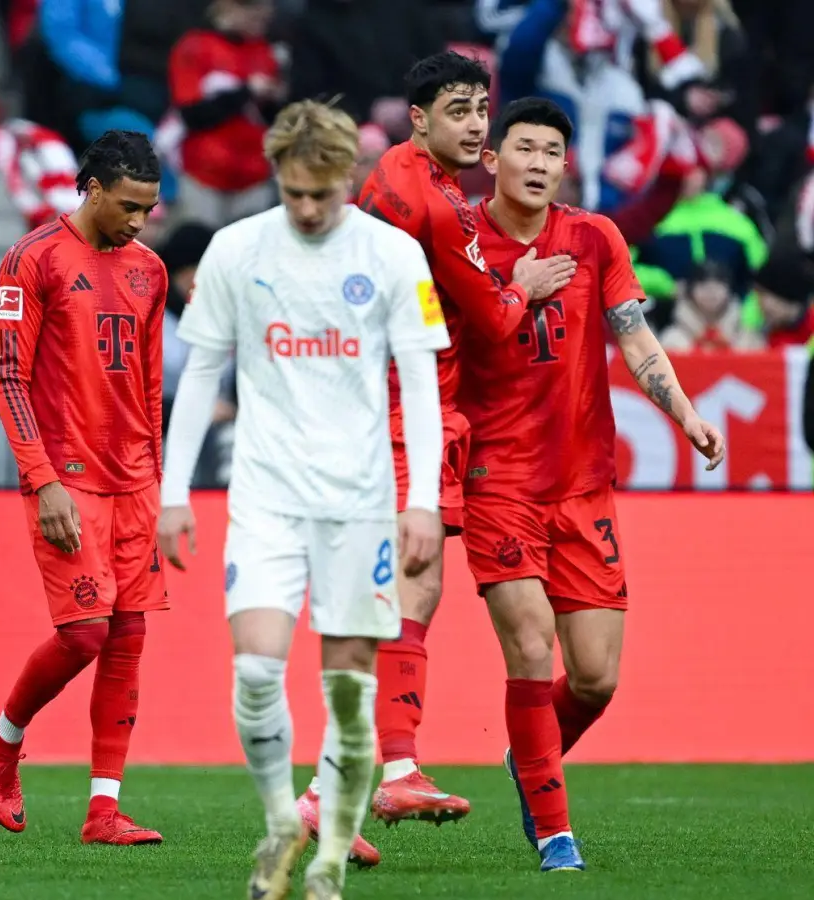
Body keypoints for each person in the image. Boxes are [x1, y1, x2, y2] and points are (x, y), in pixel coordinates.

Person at [157, 99, 448, 900]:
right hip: (266, 495)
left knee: (348, 686)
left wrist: (422, 499)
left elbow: (420, 382)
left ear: (349, 178)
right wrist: (173, 491)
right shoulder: (234, 250)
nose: (310, 210)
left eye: (323, 194)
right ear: (275, 179)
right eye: (294, 194)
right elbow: (201, 374)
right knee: (255, 671)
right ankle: (285, 822)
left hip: (361, 500)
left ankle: (325, 860)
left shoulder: (392, 255)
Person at [463, 97, 723, 873]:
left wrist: (683, 411)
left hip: (582, 484)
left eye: (552, 151)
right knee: (531, 646)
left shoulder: (594, 236)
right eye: (525, 148)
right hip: (496, 480)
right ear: (493, 158)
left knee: (598, 678)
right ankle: (555, 835)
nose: (539, 162)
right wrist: (517, 293)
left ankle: (529, 759)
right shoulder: (460, 243)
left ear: (565, 165)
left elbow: (633, 335)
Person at [337, 50, 578, 850]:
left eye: (482, 107)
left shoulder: (407, 181)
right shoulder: (429, 202)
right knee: (413, 578)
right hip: (405, 405)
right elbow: (490, 314)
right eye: (459, 110)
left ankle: (348, 791)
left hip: (400, 403)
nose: (478, 123)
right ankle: (389, 773)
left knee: (405, 591)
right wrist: (526, 288)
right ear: (419, 119)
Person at [0, 129, 168, 846]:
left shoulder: (150, 268)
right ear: (90, 190)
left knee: (129, 635)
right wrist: (42, 480)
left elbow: (148, 382)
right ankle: (1, 739)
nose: (139, 221)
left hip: (134, 481)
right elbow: (7, 376)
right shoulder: (33, 259)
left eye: (149, 208)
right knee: (85, 632)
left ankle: (104, 810)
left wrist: (159, 478)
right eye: (127, 206)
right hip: (66, 479)